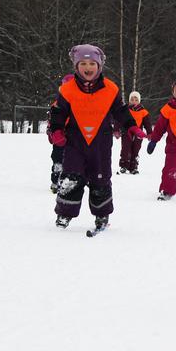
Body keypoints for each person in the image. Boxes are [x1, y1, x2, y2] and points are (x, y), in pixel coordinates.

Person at [49, 44, 146, 230]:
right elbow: (58, 112)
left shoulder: (111, 89)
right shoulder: (67, 90)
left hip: (100, 143)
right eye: (83, 63)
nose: (88, 67)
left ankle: (102, 214)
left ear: (99, 65)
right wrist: (57, 130)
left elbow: (121, 111)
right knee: (71, 177)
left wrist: (131, 126)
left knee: (100, 179)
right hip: (75, 143)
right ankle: (64, 214)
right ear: (76, 67)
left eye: (92, 63)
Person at [47, 74, 74, 193]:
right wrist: (51, 132)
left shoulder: (79, 104)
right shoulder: (57, 104)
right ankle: (56, 181)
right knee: (58, 160)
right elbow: (51, 121)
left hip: (74, 139)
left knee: (72, 161)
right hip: (59, 138)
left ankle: (70, 181)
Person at [115, 91, 152, 174]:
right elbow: (118, 120)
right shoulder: (125, 110)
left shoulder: (143, 112)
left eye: (136, 99)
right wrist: (116, 130)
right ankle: (124, 166)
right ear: (129, 100)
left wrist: (149, 133)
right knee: (125, 149)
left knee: (135, 150)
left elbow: (147, 123)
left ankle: (133, 167)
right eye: (132, 99)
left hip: (138, 135)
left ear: (139, 101)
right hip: (126, 132)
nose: (134, 101)